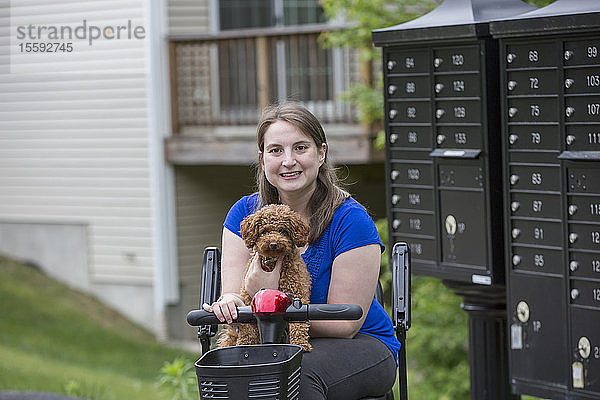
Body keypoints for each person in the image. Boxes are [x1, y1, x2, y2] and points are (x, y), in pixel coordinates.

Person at [203, 102, 401, 399]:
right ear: (262, 158)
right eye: (276, 150)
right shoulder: (243, 215)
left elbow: (346, 324)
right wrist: (230, 301)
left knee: (293, 374)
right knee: (229, 376)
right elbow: (234, 296)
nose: (288, 161)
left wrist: (274, 311)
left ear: (321, 153)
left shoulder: (351, 221)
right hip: (274, 346)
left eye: (300, 148)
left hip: (363, 344)